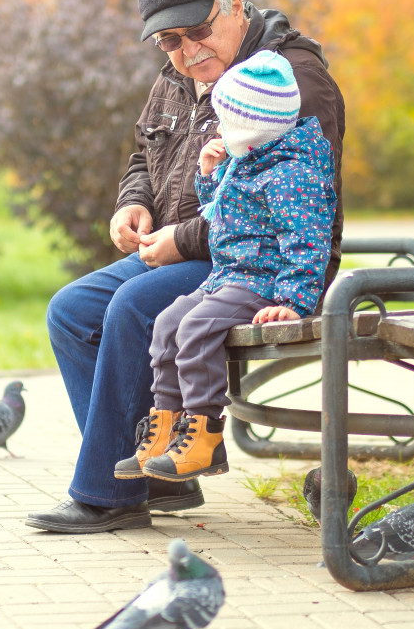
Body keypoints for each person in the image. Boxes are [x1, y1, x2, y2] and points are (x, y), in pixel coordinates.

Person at [24, 0, 346, 534]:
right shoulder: (177, 77)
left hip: (267, 264)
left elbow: (292, 196)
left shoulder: (287, 78)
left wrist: (185, 237)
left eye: (198, 30)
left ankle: (110, 494)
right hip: (194, 255)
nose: (187, 50)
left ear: (236, 7)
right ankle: (161, 475)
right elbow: (143, 155)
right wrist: (133, 204)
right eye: (169, 40)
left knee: (131, 308)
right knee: (70, 312)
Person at [116, 51, 335, 483]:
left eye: (226, 122)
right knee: (166, 325)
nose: (219, 130)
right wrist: (209, 172)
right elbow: (223, 212)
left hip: (262, 281)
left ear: (251, 127)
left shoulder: (292, 173)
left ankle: (205, 434)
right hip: (228, 276)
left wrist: (292, 301)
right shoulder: (251, 158)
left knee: (195, 329)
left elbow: (308, 243)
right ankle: (166, 426)